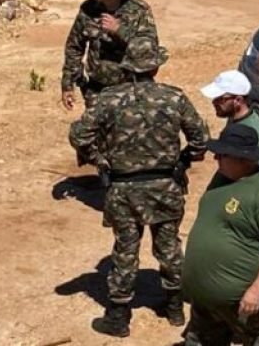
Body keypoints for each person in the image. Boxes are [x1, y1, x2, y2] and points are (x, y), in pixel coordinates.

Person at [69, 36, 209, 338]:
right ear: (155, 67)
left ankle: (118, 316)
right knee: (169, 246)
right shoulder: (175, 98)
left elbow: (79, 135)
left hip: (123, 189)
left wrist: (100, 160)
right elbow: (201, 139)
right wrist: (182, 161)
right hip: (165, 186)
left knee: (125, 250)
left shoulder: (109, 98)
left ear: (128, 68)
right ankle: (174, 308)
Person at [182, 124, 259, 346]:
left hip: (241, 301)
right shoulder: (222, 177)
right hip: (205, 301)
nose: (216, 158)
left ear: (244, 159)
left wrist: (256, 289)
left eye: (223, 154)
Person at [61, 0, 157, 115]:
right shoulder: (88, 9)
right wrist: (68, 84)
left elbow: (149, 51)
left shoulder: (139, 10)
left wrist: (119, 31)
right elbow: (74, 47)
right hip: (96, 90)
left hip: (130, 89)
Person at [201, 70, 259, 180]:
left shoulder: (254, 129)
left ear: (238, 100)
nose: (214, 102)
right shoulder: (235, 120)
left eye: (220, 99)